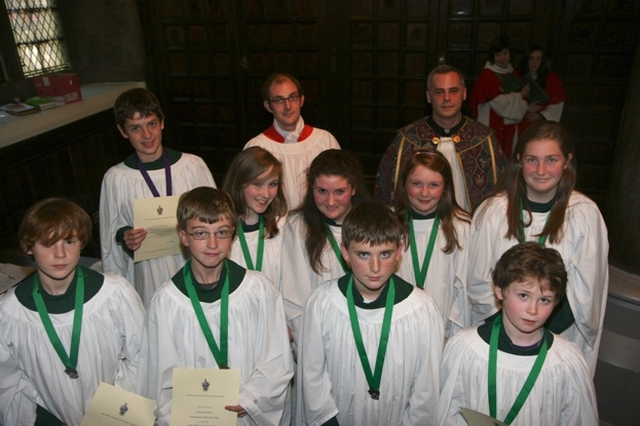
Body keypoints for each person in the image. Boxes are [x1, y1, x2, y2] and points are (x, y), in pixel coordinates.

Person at [138, 187, 293, 426]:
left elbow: (277, 358)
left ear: (233, 234)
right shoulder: (167, 302)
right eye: (201, 233)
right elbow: (159, 378)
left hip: (246, 414)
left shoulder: (258, 291)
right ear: (183, 236)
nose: (212, 244)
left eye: (221, 232)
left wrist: (251, 398)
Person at [468, 121, 609, 376]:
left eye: (551, 160)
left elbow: (587, 291)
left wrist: (540, 329)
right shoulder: (493, 211)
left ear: (567, 161)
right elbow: (478, 281)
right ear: (519, 159)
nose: (541, 170)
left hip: (556, 336)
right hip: (501, 333)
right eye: (532, 159)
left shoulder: (584, 214)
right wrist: (508, 330)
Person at [297, 200, 444, 425]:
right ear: (345, 252)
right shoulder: (323, 304)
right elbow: (312, 378)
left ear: (399, 251)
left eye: (385, 254)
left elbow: (426, 389)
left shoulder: (421, 309)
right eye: (364, 255)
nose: (375, 267)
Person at [0, 198, 145, 426]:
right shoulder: (10, 314)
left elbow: (141, 357)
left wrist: (109, 415)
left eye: (69, 241)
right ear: (28, 247)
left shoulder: (115, 295)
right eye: (48, 243)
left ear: (82, 242)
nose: (60, 254)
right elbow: (9, 383)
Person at [438, 242, 599, 425]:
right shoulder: (466, 349)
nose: (532, 309)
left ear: (557, 302)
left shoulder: (566, 362)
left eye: (544, 300)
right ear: (500, 290)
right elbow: (448, 415)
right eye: (523, 295)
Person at [99, 88, 216, 307]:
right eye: (135, 128)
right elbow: (110, 237)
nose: (147, 135)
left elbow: (218, 219)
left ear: (162, 122)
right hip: (148, 273)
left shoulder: (192, 167)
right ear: (123, 131)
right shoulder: (116, 178)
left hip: (195, 266)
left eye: (151, 124)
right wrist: (126, 238)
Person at [375, 64, 506, 213]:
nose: (447, 98)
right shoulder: (406, 141)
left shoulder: (484, 141)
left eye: (453, 91)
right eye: (439, 92)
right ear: (428, 96)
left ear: (464, 94)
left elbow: (504, 196)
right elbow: (386, 196)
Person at [281, 149, 370, 345]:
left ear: (353, 189)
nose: (330, 202)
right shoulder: (298, 226)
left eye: (340, 192)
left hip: (366, 333)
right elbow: (294, 295)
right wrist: (312, 344)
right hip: (317, 336)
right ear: (311, 188)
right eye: (322, 191)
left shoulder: (370, 224)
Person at [393, 149, 471, 338]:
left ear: (445, 187)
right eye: (416, 184)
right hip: (396, 328)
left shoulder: (460, 227)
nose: (424, 193)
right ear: (405, 185)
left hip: (442, 331)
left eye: (433, 185)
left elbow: (464, 289)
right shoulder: (388, 222)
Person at [244, 73, 341, 210]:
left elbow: (340, 188)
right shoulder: (257, 147)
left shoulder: (325, 140)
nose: (287, 106)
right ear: (268, 106)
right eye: (278, 100)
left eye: (293, 97)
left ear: (301, 100)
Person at [222, 147, 288, 289]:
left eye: (272, 184)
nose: (266, 194)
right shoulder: (221, 232)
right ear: (239, 183)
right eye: (257, 184)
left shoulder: (284, 228)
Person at [469, 35, 533, 157]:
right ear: (492, 56)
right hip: (491, 126)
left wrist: (522, 99)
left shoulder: (513, 73)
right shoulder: (486, 76)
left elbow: (523, 103)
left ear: (510, 53)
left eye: (505, 53)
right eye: (498, 54)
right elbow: (499, 104)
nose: (502, 58)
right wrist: (520, 95)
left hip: (511, 128)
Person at [517, 45, 567, 135]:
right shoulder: (517, 76)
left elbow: (557, 106)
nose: (534, 62)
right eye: (531, 58)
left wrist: (540, 116)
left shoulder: (552, 79)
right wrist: (524, 108)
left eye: (538, 59)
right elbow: (509, 101)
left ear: (542, 61)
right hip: (519, 122)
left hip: (541, 125)